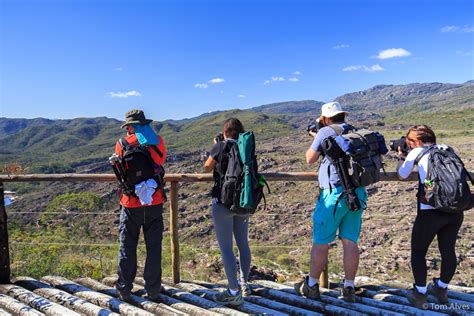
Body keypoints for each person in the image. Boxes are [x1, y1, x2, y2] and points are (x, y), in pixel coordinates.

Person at [294, 101, 367, 303]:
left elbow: (310, 158)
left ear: (325, 118)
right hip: (357, 193)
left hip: (334, 194)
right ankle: (349, 288)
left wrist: (317, 134)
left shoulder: (325, 132)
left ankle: (311, 286)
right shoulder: (353, 131)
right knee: (350, 241)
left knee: (321, 242)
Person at [397, 125, 464, 309]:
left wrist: (402, 156)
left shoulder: (417, 152)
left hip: (430, 211)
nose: (408, 143)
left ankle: (420, 294)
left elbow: (402, 174)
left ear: (417, 141)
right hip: (454, 210)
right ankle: (441, 288)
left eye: (409, 141)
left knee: (418, 252)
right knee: (448, 250)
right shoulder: (446, 148)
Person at [114, 109, 167, 301]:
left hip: (130, 203)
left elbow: (121, 172)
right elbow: (160, 163)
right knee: (154, 247)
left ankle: (124, 289)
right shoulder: (157, 142)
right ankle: (153, 289)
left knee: (127, 246)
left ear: (129, 127)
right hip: (154, 200)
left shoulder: (121, 144)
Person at [203, 118, 251, 306]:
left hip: (223, 203)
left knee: (226, 248)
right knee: (243, 244)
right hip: (243, 201)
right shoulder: (245, 147)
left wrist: (217, 146)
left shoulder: (220, 146)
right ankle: (245, 284)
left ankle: (233, 291)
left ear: (224, 132)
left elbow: (207, 167)